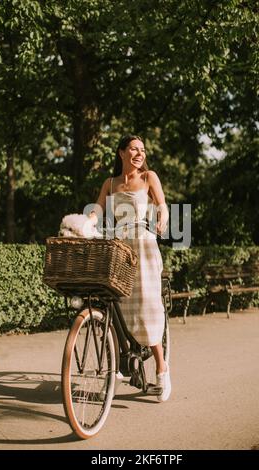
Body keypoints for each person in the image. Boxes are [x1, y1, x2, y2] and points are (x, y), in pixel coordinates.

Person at [87, 134, 171, 402]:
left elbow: (163, 206)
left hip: (144, 245)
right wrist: (84, 224)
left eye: (142, 150)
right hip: (119, 246)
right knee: (116, 304)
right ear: (121, 152)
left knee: (147, 306)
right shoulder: (110, 183)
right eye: (134, 149)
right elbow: (97, 210)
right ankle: (120, 362)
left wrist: (162, 219)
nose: (139, 153)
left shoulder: (149, 178)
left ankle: (162, 368)